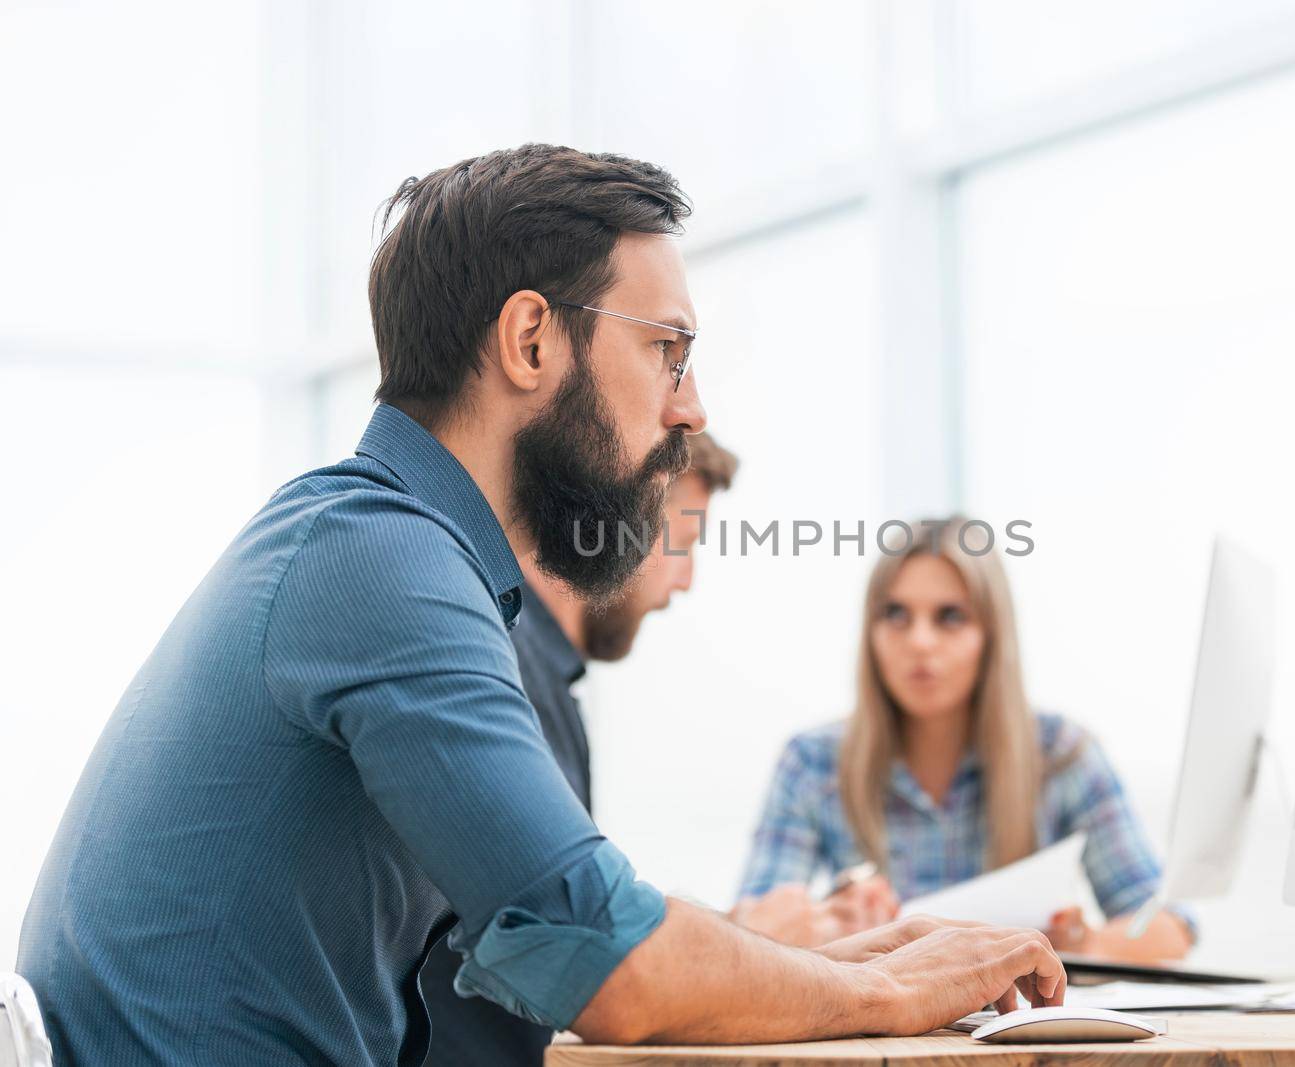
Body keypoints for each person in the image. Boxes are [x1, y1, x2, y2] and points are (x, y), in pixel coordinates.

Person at [18, 145, 1063, 1066]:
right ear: (530, 342)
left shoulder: (381, 547)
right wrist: (889, 990)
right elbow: (610, 968)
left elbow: (535, 932)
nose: (690, 406)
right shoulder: (384, 563)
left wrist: (818, 956)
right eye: (668, 347)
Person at [738, 518, 1196, 962]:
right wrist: (829, 924)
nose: (919, 641)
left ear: (992, 636)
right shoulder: (813, 763)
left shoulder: (1062, 755)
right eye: (895, 614)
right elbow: (749, 939)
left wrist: (1085, 947)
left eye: (950, 617)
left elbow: (1170, 926)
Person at [417, 430, 736, 1067]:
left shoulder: (533, 670)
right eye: (683, 541)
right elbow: (580, 956)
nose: (686, 581)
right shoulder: (508, 670)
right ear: (613, 522)